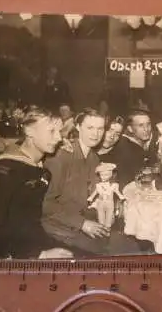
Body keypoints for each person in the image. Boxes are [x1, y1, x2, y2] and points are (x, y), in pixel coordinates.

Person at [0, 107, 73, 259]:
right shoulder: (3, 172)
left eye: (60, 132)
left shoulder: (36, 163)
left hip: (32, 240)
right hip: (5, 253)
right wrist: (37, 254)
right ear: (29, 131)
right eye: (51, 131)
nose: (59, 138)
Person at [42, 108, 110, 256]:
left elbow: (86, 196)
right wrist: (82, 224)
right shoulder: (61, 155)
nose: (96, 134)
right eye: (90, 128)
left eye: (100, 128)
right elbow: (46, 204)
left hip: (79, 221)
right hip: (57, 227)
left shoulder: (94, 158)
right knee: (105, 253)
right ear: (78, 127)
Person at [115, 109, 158, 188]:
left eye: (148, 124)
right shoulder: (124, 147)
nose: (146, 129)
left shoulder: (146, 141)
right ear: (130, 129)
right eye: (141, 125)